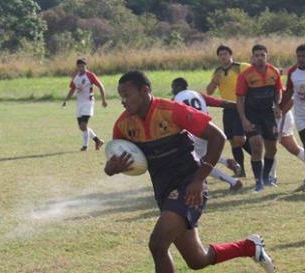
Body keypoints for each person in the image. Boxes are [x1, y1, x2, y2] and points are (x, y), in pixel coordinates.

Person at [105, 71, 274, 273]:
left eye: (127, 95)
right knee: (197, 259)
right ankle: (249, 247)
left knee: (157, 245)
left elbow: (217, 137)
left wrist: (199, 179)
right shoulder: (123, 124)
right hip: (163, 190)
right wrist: (112, 169)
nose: (123, 101)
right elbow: (115, 161)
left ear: (145, 91)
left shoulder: (171, 110)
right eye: (121, 96)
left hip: (189, 186)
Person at [171, 77, 243, 190]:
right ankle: (226, 162)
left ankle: (233, 182)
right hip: (209, 130)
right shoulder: (198, 95)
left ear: (177, 87)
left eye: (173, 88)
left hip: (193, 133)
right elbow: (222, 103)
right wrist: (243, 106)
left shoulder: (175, 99)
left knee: (201, 164)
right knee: (205, 157)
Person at [236, 44, 283, 192]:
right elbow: (239, 99)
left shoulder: (274, 72)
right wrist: (243, 119)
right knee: (256, 146)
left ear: (267, 56)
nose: (260, 58)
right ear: (252, 58)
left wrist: (277, 105)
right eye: (257, 55)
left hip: (268, 115)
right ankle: (258, 182)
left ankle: (265, 177)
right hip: (252, 115)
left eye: (262, 55)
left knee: (272, 149)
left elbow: (278, 91)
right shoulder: (245, 75)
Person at [206, 45, 252, 177]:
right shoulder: (218, 71)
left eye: (225, 53)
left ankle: (257, 157)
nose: (223, 56)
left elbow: (255, 74)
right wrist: (215, 81)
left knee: (240, 139)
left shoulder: (241, 67)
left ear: (231, 54)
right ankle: (240, 171)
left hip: (241, 107)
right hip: (227, 109)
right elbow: (209, 92)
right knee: (232, 140)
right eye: (220, 54)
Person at [62, 57, 107, 151]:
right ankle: (98, 141)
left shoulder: (90, 75)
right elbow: (72, 89)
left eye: (83, 66)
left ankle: (85, 146)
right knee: (82, 128)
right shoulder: (75, 76)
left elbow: (101, 86)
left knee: (83, 125)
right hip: (79, 104)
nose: (81, 68)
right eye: (79, 66)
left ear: (85, 66)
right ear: (77, 67)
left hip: (88, 103)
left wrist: (103, 100)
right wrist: (66, 100)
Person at [279, 43, 305, 190]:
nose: (301, 59)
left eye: (304, 56)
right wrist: (281, 109)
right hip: (301, 117)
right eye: (299, 56)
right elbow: (289, 91)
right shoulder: (293, 72)